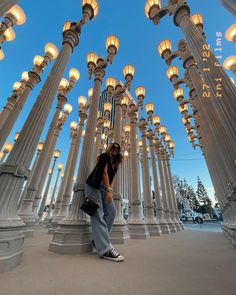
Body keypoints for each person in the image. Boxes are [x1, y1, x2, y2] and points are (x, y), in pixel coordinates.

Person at [84, 142, 124, 262]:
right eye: (113, 147)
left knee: (112, 212)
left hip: (104, 189)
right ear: (109, 148)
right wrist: (109, 191)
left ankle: (97, 242)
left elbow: (111, 179)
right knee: (98, 216)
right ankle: (105, 249)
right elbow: (104, 173)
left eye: (117, 148)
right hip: (94, 187)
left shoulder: (115, 164)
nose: (115, 149)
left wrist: (109, 190)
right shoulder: (104, 157)